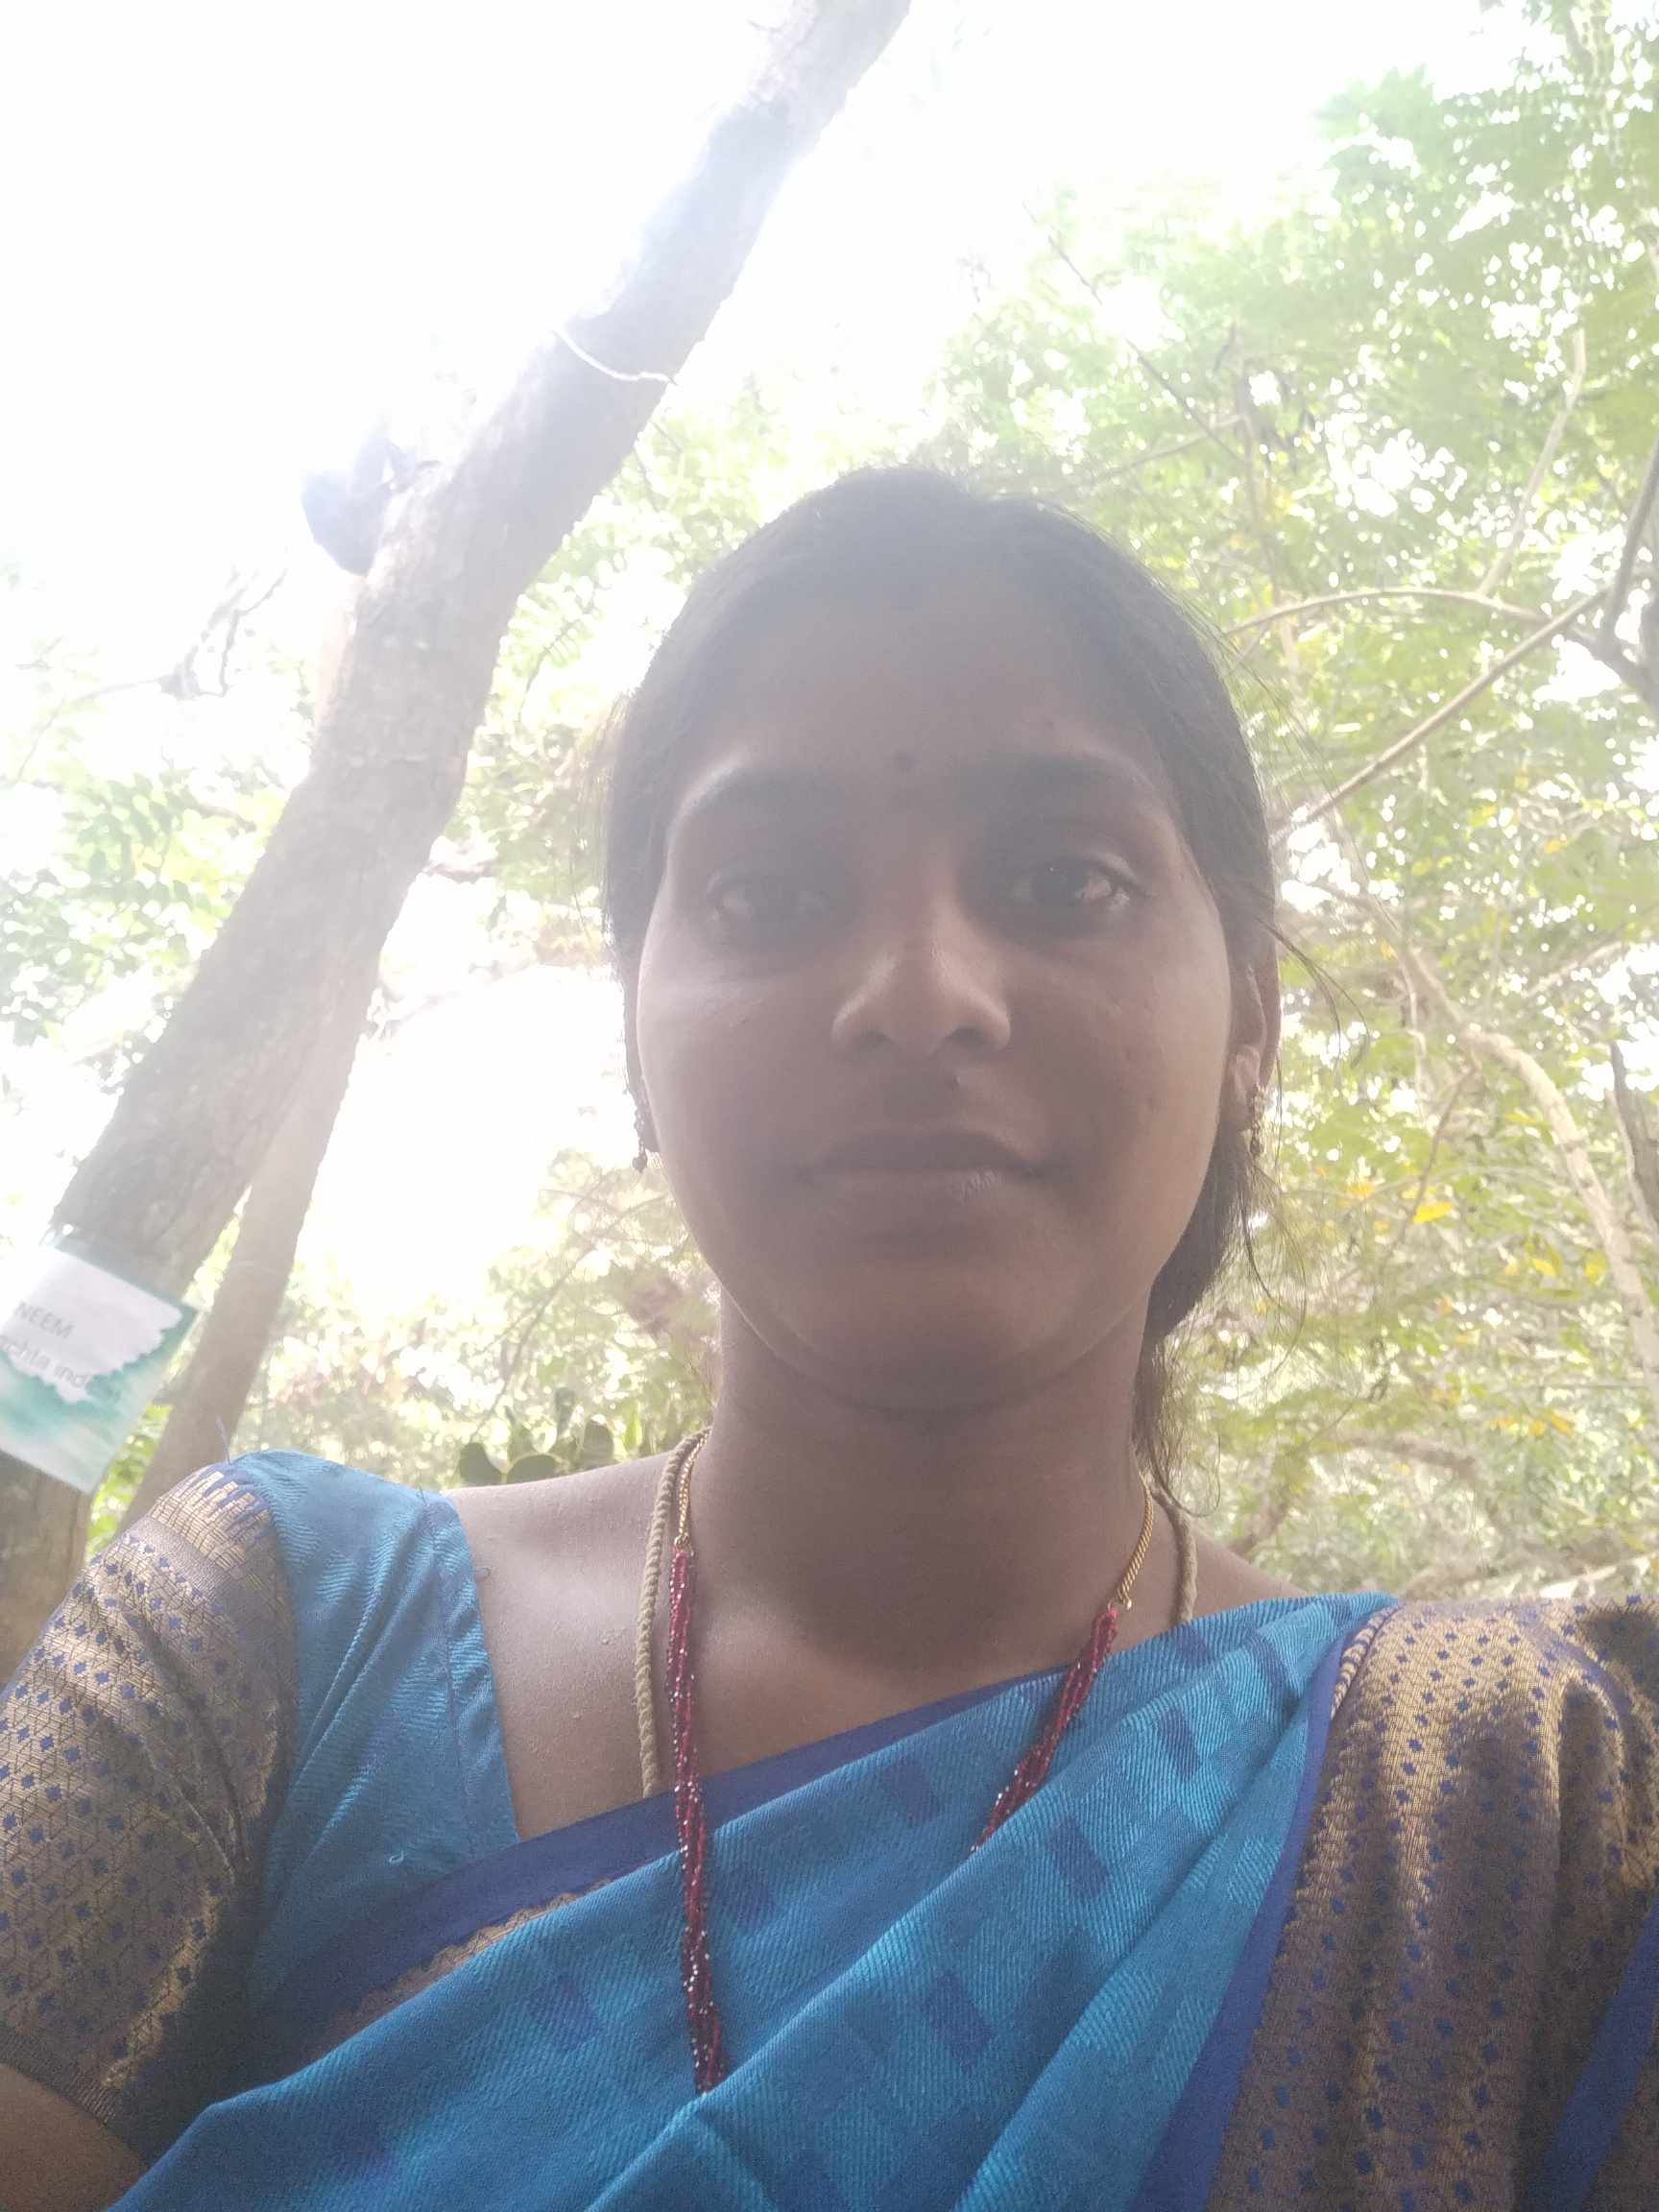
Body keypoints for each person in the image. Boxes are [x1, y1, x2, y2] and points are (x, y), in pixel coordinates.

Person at [3, 468, 1655, 2211]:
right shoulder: (272, 1644)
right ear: (636, 1041)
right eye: (771, 895)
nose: (921, 992)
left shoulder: (1503, 1805)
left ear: (1249, 1020)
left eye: (1066, 881)